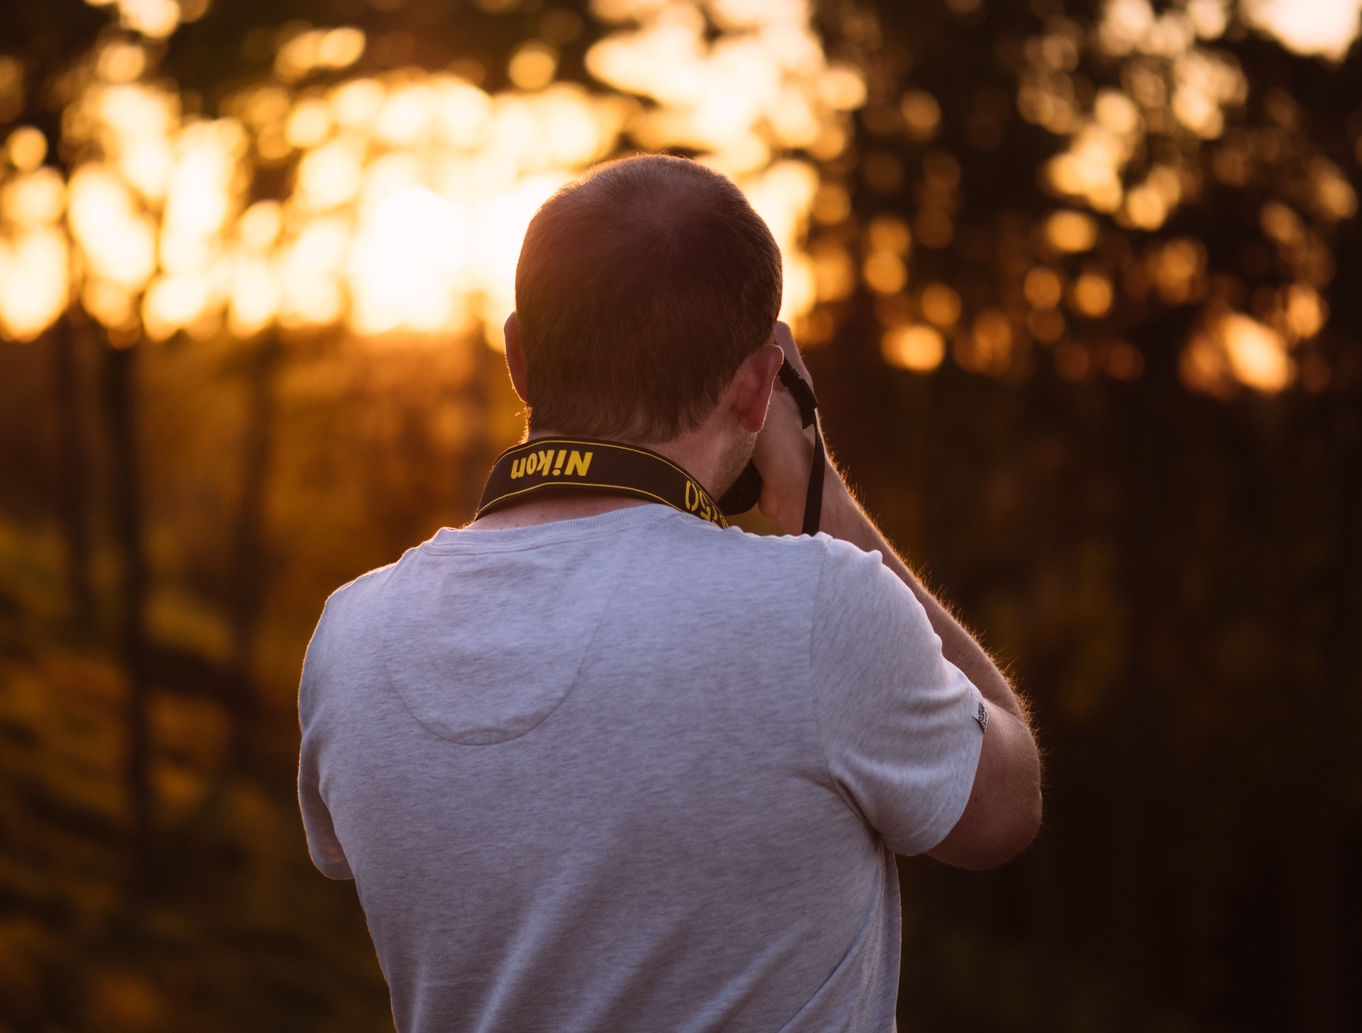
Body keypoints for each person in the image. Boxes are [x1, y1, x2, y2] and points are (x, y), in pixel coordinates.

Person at [297, 154, 1042, 1033]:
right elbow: (1007, 805)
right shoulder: (818, 611)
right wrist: (825, 503)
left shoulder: (351, 639)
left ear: (520, 358)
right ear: (762, 386)